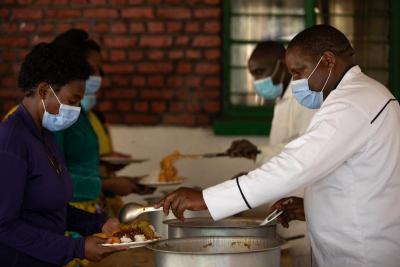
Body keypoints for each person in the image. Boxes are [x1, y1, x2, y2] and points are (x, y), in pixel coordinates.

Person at [156, 24, 400, 267]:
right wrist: (312, 208)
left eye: (298, 72)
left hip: (363, 255)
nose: (295, 83)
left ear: (327, 61)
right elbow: (360, 183)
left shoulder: (351, 104)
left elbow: (294, 165)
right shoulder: (364, 95)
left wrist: (206, 200)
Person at [0, 42, 124, 267]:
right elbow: (4, 224)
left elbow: (52, 208)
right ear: (45, 91)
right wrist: (76, 247)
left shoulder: (44, 135)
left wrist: (98, 223)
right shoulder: (11, 142)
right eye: (73, 101)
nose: (76, 110)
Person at [51, 29, 153, 216]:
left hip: (90, 212)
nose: (98, 75)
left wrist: (112, 177)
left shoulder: (79, 111)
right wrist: (109, 184)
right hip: (70, 215)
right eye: (91, 69)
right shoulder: (54, 114)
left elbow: (78, 165)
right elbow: (51, 178)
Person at [227, 41, 315, 163]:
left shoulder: (306, 98)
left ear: (284, 65)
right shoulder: (282, 97)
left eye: (260, 72)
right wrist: (256, 152)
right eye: (254, 75)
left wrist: (259, 153)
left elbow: (305, 151)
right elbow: (283, 148)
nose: (257, 81)